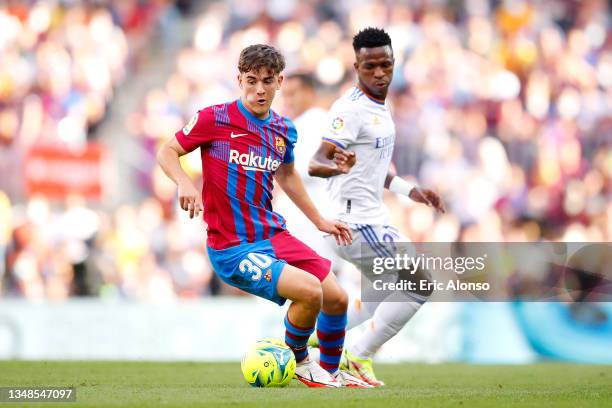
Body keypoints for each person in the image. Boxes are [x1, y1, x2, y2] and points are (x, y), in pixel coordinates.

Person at [156, 44, 370, 388]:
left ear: (279, 81)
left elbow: (287, 176)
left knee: (337, 297)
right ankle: (300, 361)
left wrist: (319, 221)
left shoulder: (284, 130)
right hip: (232, 246)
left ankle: (330, 373)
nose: (259, 89)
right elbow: (168, 150)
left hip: (272, 234)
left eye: (267, 81)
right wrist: (184, 182)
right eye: (251, 81)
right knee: (310, 291)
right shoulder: (215, 119)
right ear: (239, 79)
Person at [309, 28, 445, 387]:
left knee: (377, 296)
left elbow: (375, 167)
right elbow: (315, 162)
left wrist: (409, 191)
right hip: (357, 223)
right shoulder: (350, 110)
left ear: (394, 63)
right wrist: (339, 165)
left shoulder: (380, 107)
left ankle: (316, 338)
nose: (379, 73)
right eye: (370, 66)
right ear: (357, 66)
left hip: (371, 218)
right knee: (420, 284)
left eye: (385, 65)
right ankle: (358, 355)